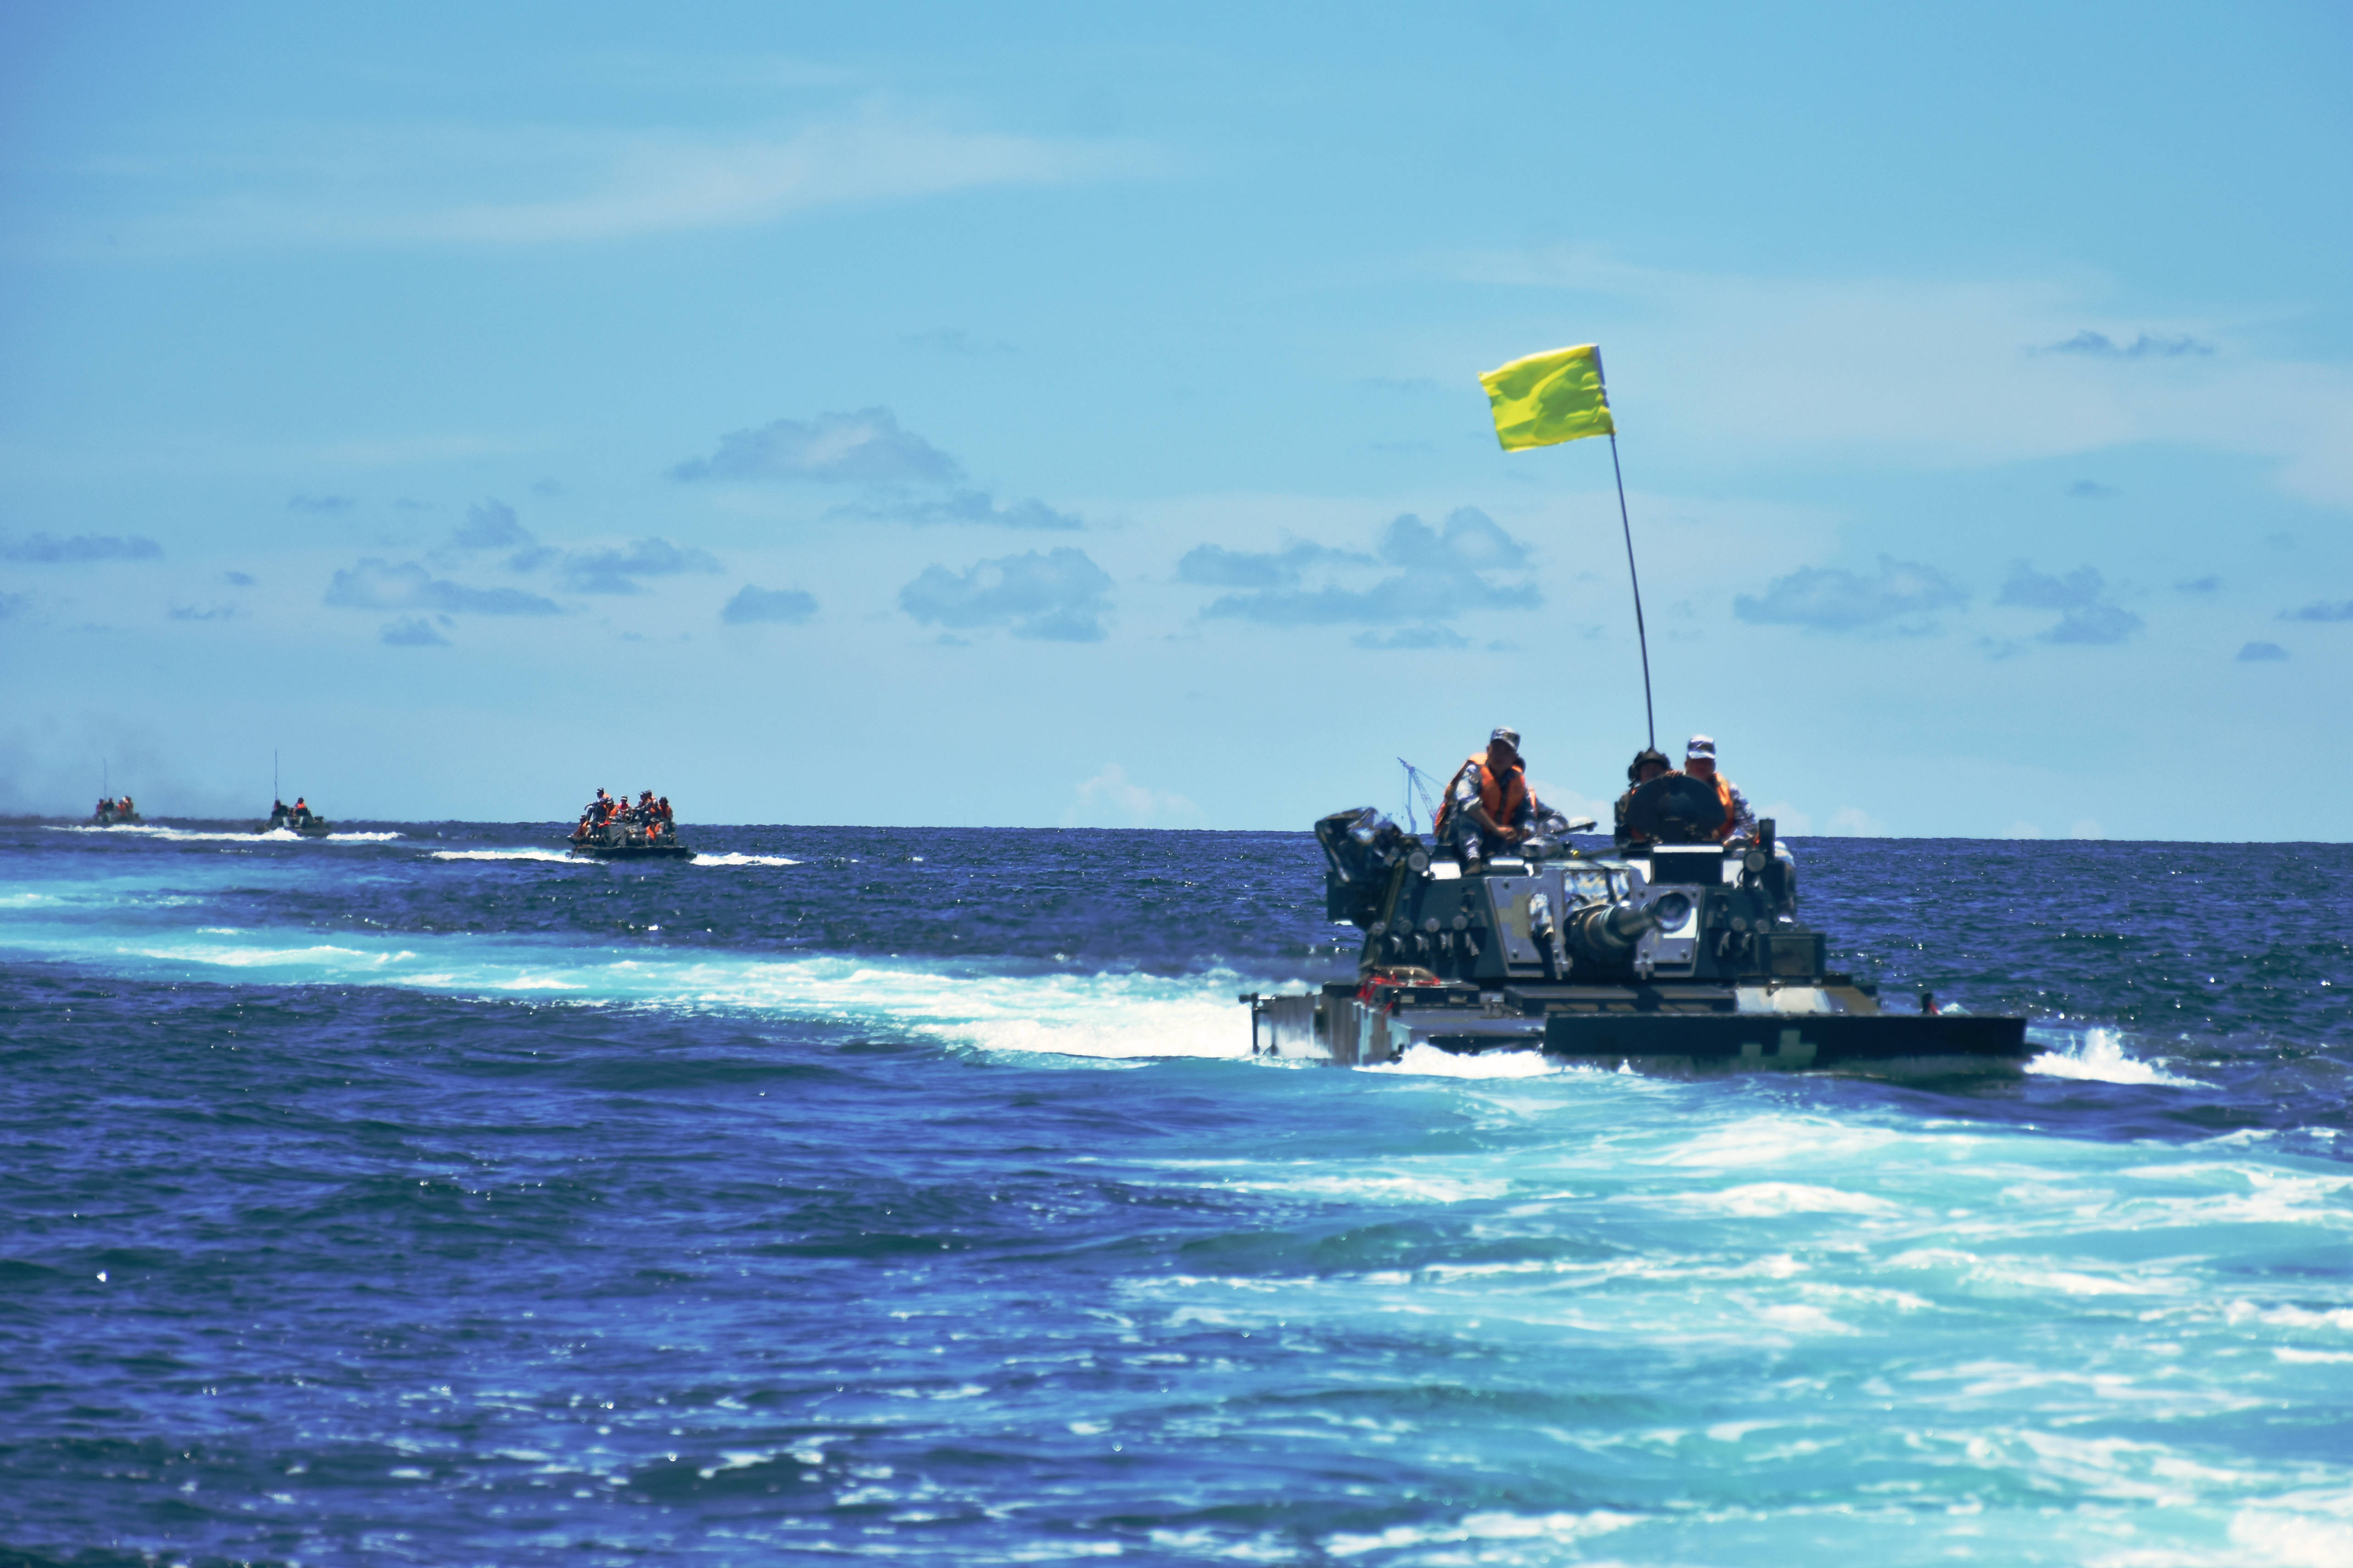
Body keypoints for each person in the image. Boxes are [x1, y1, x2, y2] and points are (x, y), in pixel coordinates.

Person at [1433, 727, 1536, 864]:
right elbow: (1466, 801)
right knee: (1466, 811)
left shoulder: (1519, 783)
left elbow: (1529, 814)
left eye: (1507, 751)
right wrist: (1497, 829)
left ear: (1514, 758)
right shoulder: (1474, 772)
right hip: (1458, 839)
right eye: (1497, 749)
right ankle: (1474, 860)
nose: (1500, 755)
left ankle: (1509, 856)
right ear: (1488, 750)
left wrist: (1522, 832)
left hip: (1496, 839)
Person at [1684, 735, 1756, 844]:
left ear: (1714, 765)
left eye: (1707, 761)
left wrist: (1728, 841)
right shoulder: (1671, 787)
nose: (1702, 766)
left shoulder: (1731, 790)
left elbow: (1750, 830)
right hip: (1671, 851)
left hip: (1722, 853)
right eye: (1697, 761)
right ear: (1687, 764)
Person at [1612, 748, 1673, 849]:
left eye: (1657, 769)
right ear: (1638, 774)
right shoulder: (1627, 800)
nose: (1652, 773)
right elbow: (1622, 839)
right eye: (1647, 769)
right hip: (1639, 855)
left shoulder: (1677, 796)